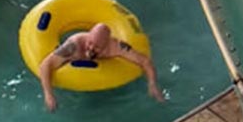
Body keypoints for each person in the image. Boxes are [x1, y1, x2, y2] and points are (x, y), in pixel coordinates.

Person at [36, 20, 164, 111]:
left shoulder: (116, 46)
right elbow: (45, 65)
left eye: (97, 47)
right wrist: (49, 94)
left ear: (106, 43)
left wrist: (152, 83)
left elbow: (144, 61)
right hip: (76, 89)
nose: (91, 48)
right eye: (90, 42)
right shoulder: (73, 46)